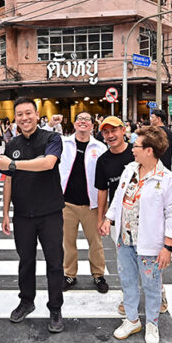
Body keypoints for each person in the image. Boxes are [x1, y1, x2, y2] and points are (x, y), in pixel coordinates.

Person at [100, 126, 172, 343]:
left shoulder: (167, 179)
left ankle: (152, 323)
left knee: (152, 284)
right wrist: (109, 218)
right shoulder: (130, 170)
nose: (132, 149)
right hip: (125, 238)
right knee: (127, 281)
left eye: (136, 145)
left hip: (151, 243)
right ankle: (132, 320)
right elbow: (118, 197)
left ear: (150, 150)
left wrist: (168, 246)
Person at [0, 97, 65, 333]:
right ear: (15, 118)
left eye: (28, 113)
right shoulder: (12, 143)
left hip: (50, 213)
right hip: (23, 214)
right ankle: (26, 301)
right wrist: (6, 212)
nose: (24, 118)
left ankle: (55, 307)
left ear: (37, 115)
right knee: (25, 261)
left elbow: (48, 163)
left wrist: (15, 165)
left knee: (55, 262)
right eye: (19, 114)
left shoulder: (52, 138)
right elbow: (7, 180)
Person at [57, 111, 108, 293]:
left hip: (91, 205)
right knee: (67, 242)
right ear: (75, 124)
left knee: (95, 242)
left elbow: (105, 177)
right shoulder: (63, 143)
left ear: (92, 125)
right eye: (80, 119)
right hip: (67, 204)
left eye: (87, 119)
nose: (83, 122)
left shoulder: (100, 147)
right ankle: (69, 274)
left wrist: (105, 209)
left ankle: (98, 274)